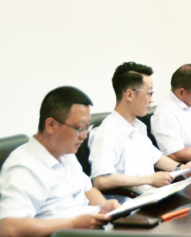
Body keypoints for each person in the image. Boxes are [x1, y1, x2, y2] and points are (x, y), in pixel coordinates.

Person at [0, 86, 120, 237]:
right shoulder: (23, 167)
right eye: (79, 128)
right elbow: (9, 228)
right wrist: (73, 224)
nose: (84, 136)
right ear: (51, 125)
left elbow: (88, 190)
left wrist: (103, 206)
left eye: (87, 127)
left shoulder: (66, 153)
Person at [89, 62, 191, 191]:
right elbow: (101, 180)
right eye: (149, 93)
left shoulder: (137, 126)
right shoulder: (108, 132)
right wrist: (150, 179)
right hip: (133, 201)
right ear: (129, 95)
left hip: (153, 196)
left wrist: (182, 168)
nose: (152, 100)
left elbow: (156, 158)